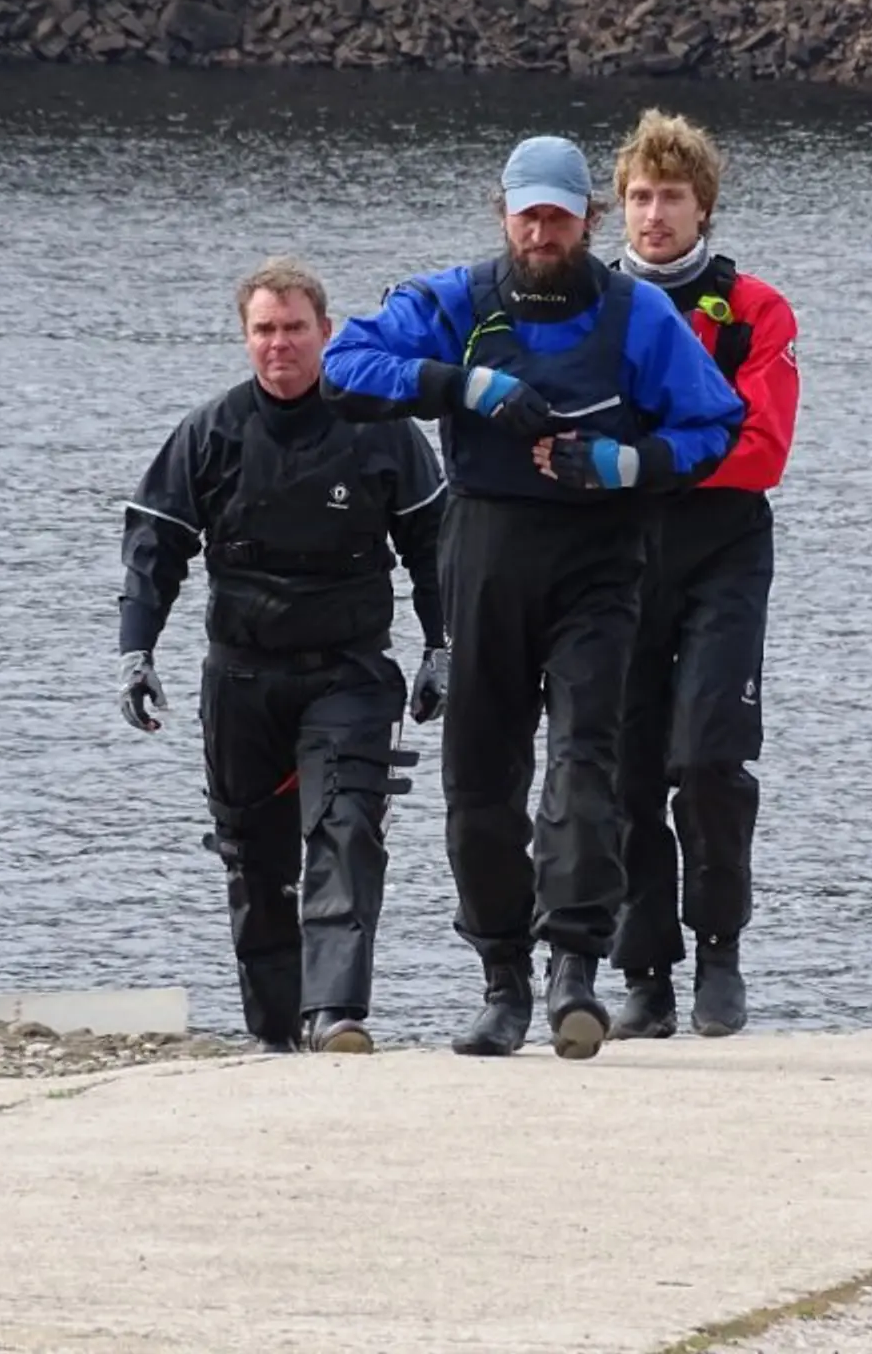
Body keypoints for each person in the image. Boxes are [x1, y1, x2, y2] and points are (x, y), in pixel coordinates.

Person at [320, 134, 746, 1062]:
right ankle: (501, 978)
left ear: (587, 219)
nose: (543, 231)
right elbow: (347, 365)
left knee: (585, 766)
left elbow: (715, 422)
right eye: (529, 215)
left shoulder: (637, 317)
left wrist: (631, 462)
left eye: (560, 215)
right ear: (503, 213)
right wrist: (459, 384)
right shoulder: (456, 301)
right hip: (484, 546)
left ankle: (576, 970)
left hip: (599, 556)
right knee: (478, 775)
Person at [117, 256, 449, 1056]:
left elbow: (437, 548)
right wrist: (136, 653)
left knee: (346, 828)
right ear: (245, 338)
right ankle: (274, 1034)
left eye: (295, 328)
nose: (280, 345)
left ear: (326, 334)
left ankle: (335, 1013)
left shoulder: (382, 430)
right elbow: (153, 548)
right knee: (254, 859)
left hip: (350, 671)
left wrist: (444, 646)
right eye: (264, 330)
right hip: (240, 676)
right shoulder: (210, 433)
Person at [603, 109, 801, 1040]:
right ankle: (642, 969)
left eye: (670, 198)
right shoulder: (589, 301)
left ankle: (720, 948)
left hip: (721, 543)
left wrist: (634, 453)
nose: (653, 215)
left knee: (710, 757)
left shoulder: (752, 307)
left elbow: (760, 450)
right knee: (625, 767)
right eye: (639, 198)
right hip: (615, 549)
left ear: (703, 209)